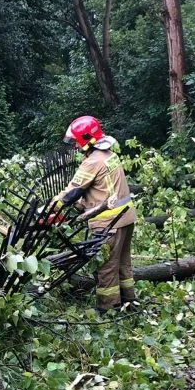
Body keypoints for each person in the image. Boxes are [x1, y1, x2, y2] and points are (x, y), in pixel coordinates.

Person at [55, 115, 137, 312]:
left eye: (76, 141)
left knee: (107, 267)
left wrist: (50, 209)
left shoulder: (92, 162)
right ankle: (130, 302)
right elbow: (101, 189)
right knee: (123, 264)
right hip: (126, 217)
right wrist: (81, 206)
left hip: (109, 222)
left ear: (86, 139)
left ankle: (108, 309)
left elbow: (73, 192)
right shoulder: (109, 155)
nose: (74, 145)